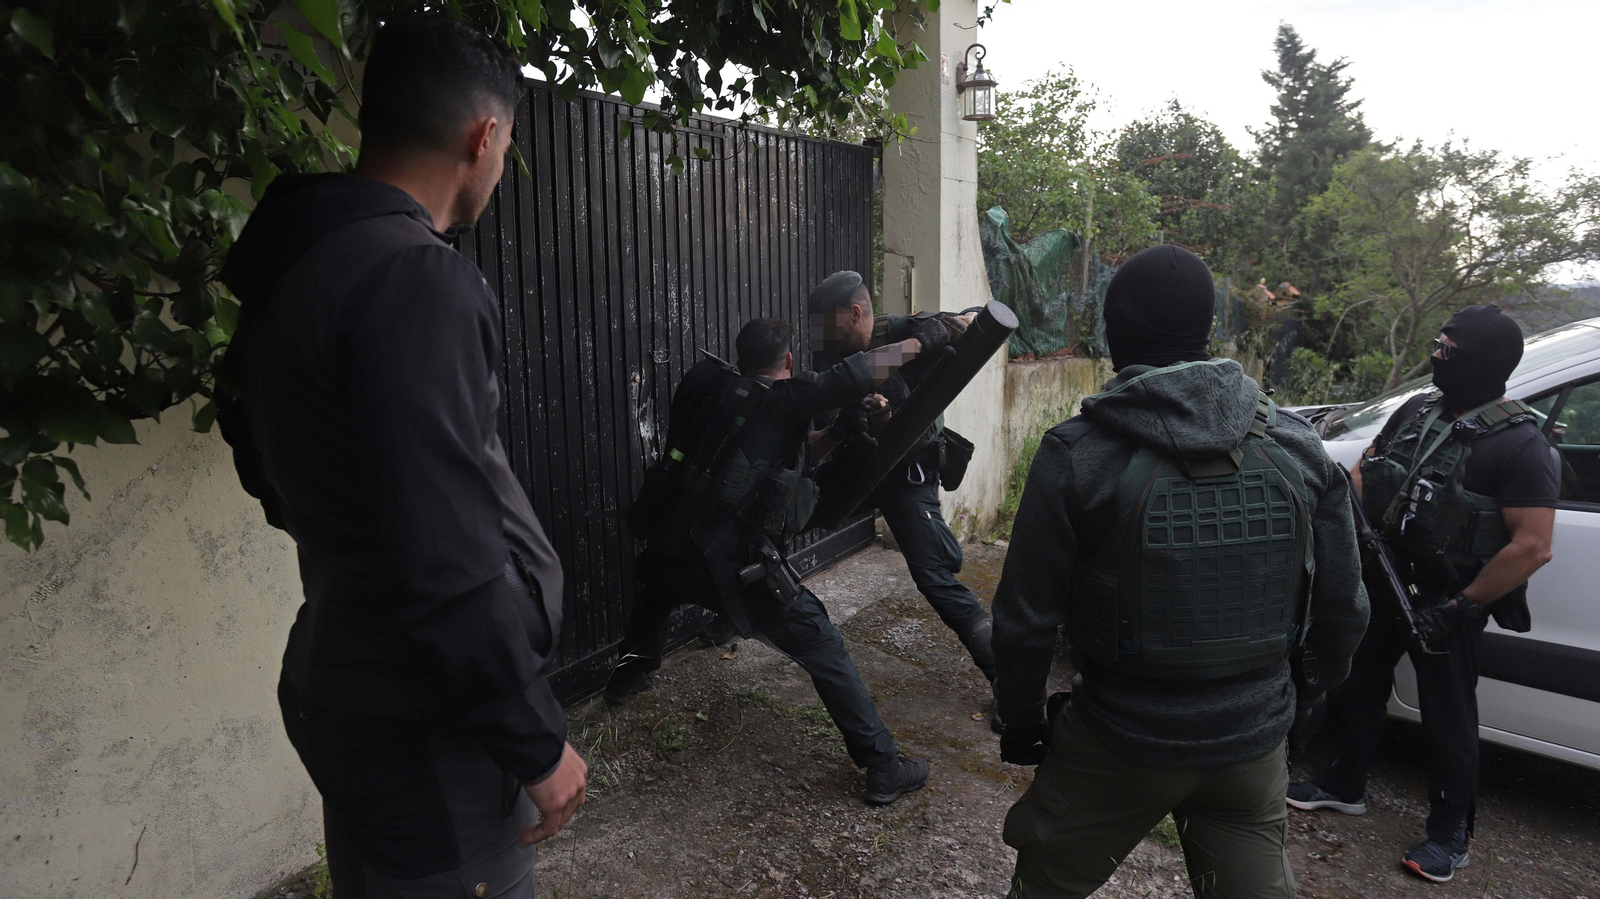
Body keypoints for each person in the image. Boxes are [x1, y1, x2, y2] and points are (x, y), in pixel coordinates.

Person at [216, 16, 586, 898]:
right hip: (428, 721)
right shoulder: (413, 276)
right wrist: (531, 737)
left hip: (347, 681)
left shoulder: (299, 265)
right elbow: (447, 554)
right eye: (505, 145)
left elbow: (265, 469)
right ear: (483, 135)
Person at [990, 245, 1371, 899]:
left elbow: (1025, 622)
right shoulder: (1298, 447)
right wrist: (1296, 702)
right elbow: (1344, 610)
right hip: (1249, 747)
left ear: (1112, 336)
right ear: (1207, 334)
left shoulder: (1077, 455)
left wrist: (1025, 724)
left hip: (1116, 739)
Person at [603, 315, 942, 805]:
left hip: (676, 548)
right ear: (787, 360)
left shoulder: (725, 393)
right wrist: (920, 341)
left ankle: (628, 674)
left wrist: (837, 434)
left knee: (657, 590)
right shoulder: (784, 400)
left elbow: (779, 455)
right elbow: (852, 375)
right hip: (730, 567)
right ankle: (883, 765)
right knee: (822, 643)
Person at [1288, 304, 1557, 884]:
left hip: (1449, 598)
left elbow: (1533, 546)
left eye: (1449, 348)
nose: (1436, 354)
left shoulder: (1520, 444)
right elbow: (1366, 468)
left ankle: (1450, 832)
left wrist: (1461, 608)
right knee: (1358, 681)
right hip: (1386, 572)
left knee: (1448, 713)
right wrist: (1357, 534)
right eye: (1437, 342)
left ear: (1484, 361)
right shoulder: (1419, 409)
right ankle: (1343, 783)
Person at [808, 272, 997, 691]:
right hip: (854, 468)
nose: (822, 337)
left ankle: (1011, 682)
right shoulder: (831, 352)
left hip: (906, 475)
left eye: (830, 325)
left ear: (856, 314)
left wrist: (944, 328)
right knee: (785, 516)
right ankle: (738, 607)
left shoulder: (906, 331)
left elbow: (976, 319)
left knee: (934, 578)